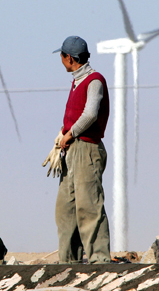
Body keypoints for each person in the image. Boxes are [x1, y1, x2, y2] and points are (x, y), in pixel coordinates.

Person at [42, 35, 111, 264]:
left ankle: (99, 262)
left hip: (87, 149)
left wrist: (71, 133)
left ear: (69, 58)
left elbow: (91, 114)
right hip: (71, 151)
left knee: (89, 207)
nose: (61, 61)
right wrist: (64, 133)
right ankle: (68, 264)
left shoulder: (94, 81)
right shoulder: (77, 81)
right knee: (66, 211)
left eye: (61, 56)